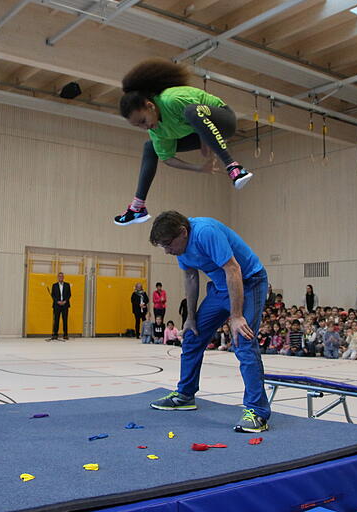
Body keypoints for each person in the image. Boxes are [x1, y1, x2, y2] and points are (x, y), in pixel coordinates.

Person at [147, 211, 270, 433]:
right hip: (220, 288)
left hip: (248, 283)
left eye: (168, 244)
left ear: (183, 233)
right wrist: (191, 317)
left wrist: (236, 316)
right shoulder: (180, 245)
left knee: (243, 341)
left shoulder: (206, 233)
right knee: (193, 336)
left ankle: (257, 412)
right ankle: (185, 394)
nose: (167, 251)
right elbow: (190, 277)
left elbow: (233, 269)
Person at [114, 59, 253, 226]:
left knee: (191, 111)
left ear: (150, 106)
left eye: (143, 121)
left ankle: (234, 167)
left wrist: (204, 139)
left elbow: (197, 114)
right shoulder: (156, 130)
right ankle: (137, 207)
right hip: (200, 131)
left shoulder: (171, 99)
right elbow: (167, 158)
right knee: (150, 147)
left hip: (223, 120)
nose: (144, 127)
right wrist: (199, 168)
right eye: (138, 125)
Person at [49, 272, 71, 341]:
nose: (60, 277)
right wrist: (57, 301)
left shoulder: (67, 285)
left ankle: (65, 335)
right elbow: (53, 295)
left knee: (65, 320)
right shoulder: (54, 285)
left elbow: (69, 294)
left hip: (65, 305)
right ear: (57, 277)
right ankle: (55, 334)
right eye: (59, 276)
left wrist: (65, 301)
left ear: (63, 277)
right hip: (57, 305)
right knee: (56, 320)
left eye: (62, 276)